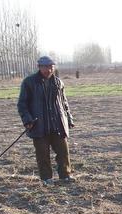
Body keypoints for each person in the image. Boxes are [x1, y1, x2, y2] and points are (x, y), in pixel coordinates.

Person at [17, 55, 76, 186]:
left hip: (58, 124)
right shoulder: (29, 82)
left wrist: (69, 118)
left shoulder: (58, 83)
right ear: (39, 67)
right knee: (42, 155)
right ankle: (46, 179)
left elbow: (64, 103)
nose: (48, 70)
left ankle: (65, 175)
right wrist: (28, 120)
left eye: (51, 67)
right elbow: (22, 104)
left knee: (63, 152)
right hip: (39, 125)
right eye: (45, 67)